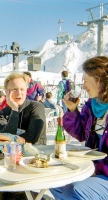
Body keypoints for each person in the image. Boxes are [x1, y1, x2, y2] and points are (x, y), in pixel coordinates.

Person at [50, 56, 108, 199]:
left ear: (100, 80)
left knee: (75, 190)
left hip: (104, 173)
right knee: (55, 182)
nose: (83, 85)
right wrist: (72, 110)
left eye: (86, 80)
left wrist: (96, 169)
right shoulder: (92, 105)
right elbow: (82, 134)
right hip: (94, 169)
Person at [0, 72, 46, 144]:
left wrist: (12, 138)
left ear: (26, 90)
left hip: (36, 153)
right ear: (7, 92)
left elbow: (32, 138)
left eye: (22, 89)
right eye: (15, 89)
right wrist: (14, 110)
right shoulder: (2, 114)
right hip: (12, 153)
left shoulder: (36, 107)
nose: (19, 93)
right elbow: (6, 139)